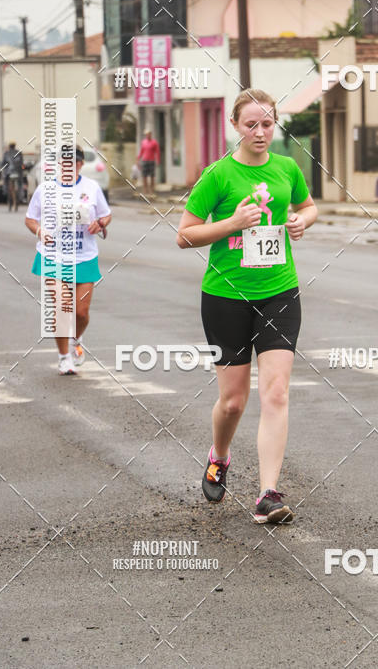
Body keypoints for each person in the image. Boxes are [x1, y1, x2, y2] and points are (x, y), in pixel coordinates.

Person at [176, 89, 318, 524]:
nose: (260, 132)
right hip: (225, 297)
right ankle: (219, 454)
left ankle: (268, 494)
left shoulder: (288, 167)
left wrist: (301, 221)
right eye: (251, 124)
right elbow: (184, 234)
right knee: (233, 402)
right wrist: (233, 224)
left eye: (268, 124)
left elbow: (309, 207)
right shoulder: (218, 175)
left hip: (279, 291)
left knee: (275, 391)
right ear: (235, 126)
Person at [25, 145, 111, 375]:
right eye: (63, 163)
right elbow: (30, 219)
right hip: (52, 256)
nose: (67, 167)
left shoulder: (91, 188)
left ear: (80, 165)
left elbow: (106, 214)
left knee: (81, 313)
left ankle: (77, 339)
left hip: (84, 256)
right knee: (63, 307)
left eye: (72, 163)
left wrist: (100, 223)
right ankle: (64, 357)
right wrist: (40, 231)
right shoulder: (45, 190)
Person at [0, 142, 24, 212]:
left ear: (9, 146)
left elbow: (2, 164)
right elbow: (22, 164)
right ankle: (19, 195)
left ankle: (9, 197)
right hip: (18, 173)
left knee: (6, 186)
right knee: (20, 185)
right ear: (14, 146)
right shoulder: (19, 152)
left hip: (9, 173)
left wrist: (2, 168)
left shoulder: (6, 153)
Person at [136, 129, 160, 197]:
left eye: (148, 134)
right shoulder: (143, 142)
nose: (147, 135)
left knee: (152, 176)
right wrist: (138, 159)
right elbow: (141, 151)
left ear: (150, 134)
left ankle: (152, 190)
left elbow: (157, 152)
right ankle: (145, 190)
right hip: (144, 160)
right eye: (146, 134)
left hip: (151, 161)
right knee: (144, 176)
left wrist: (158, 160)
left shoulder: (154, 142)